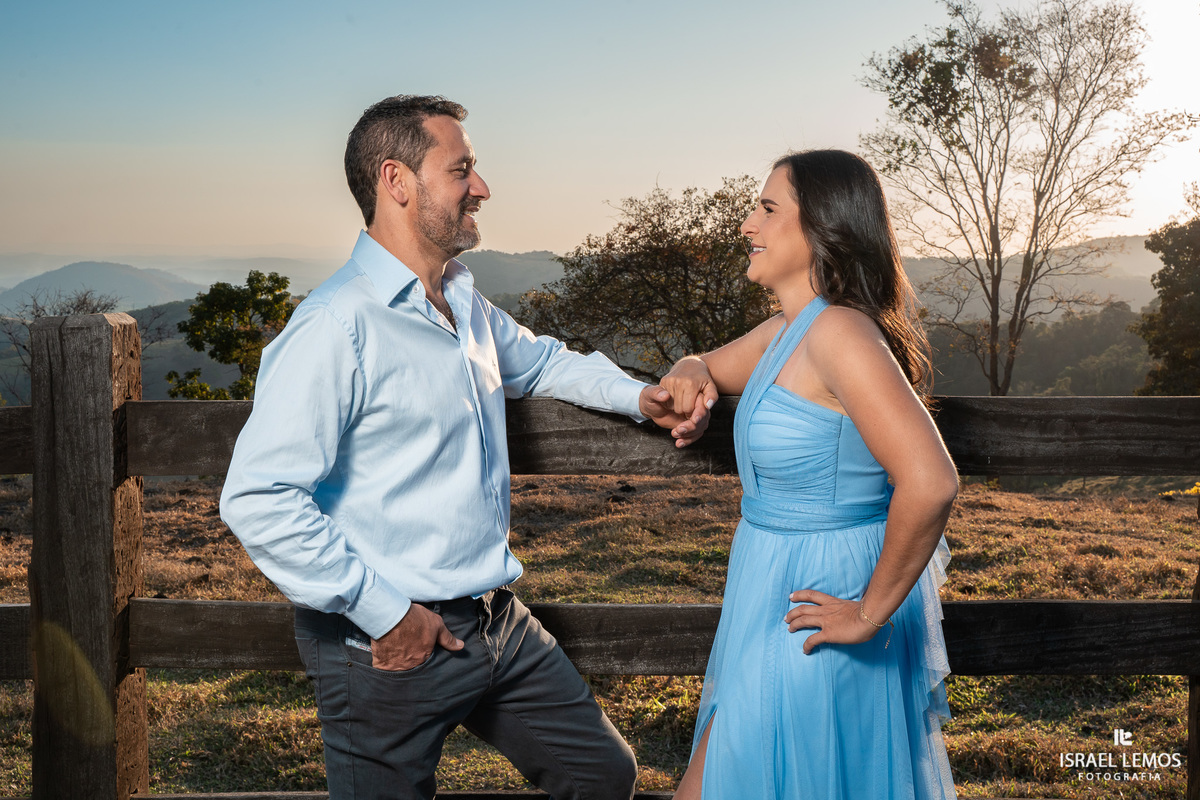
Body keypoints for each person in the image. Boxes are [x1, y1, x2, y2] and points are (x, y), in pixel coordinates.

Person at [219, 94, 709, 800]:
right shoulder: (335, 325)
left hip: (498, 621)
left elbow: (540, 362)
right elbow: (258, 498)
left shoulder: (461, 301)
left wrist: (641, 397)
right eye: (462, 171)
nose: (482, 187)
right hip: (384, 643)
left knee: (602, 775)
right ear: (397, 182)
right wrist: (387, 613)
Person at [659, 150, 960, 799]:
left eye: (768, 209)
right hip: (767, 587)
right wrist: (688, 367)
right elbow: (709, 365)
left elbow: (932, 480)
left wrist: (867, 615)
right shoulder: (789, 330)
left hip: (823, 602)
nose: (747, 224)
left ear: (822, 227)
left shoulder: (841, 335)